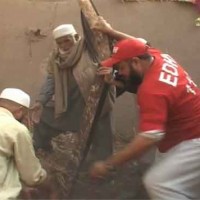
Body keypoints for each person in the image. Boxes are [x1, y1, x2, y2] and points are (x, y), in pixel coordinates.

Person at [90, 23, 200, 199]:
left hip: (193, 140)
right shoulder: (158, 57)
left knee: (158, 183)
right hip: (180, 137)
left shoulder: (151, 89)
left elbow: (149, 137)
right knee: (169, 179)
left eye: (121, 68)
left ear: (135, 62)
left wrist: (108, 164)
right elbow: (136, 44)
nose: (121, 73)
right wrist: (110, 32)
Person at [31, 24, 115, 160]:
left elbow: (110, 55)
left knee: (102, 136)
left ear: (76, 37)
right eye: (60, 42)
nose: (64, 45)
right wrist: (41, 101)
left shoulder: (89, 49)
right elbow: (51, 79)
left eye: (67, 40)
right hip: (71, 101)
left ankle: (103, 167)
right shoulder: (57, 57)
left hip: (94, 100)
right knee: (44, 115)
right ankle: (42, 150)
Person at [0, 88, 47, 199]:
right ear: (20, 110)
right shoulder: (17, 129)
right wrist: (46, 179)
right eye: (25, 114)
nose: (26, 118)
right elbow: (32, 177)